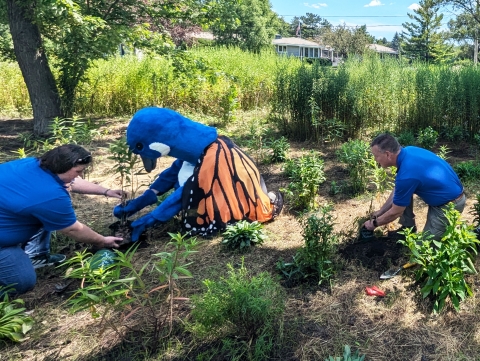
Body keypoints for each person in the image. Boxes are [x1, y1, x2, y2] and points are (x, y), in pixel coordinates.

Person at [113, 107, 283, 241]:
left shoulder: (213, 158)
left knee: (198, 192)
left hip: (221, 180)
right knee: (181, 175)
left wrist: (147, 220)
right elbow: (171, 173)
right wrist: (143, 200)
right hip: (204, 159)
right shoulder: (192, 153)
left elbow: (183, 194)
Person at [0, 144, 124, 295]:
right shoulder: (49, 195)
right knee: (22, 282)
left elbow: (70, 180)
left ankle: (36, 255)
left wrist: (106, 191)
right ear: (63, 165)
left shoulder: (35, 164)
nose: (81, 176)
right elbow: (72, 229)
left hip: (7, 215)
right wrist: (102, 241)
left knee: (44, 213)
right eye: (78, 171)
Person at [363, 133, 465, 240]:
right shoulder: (409, 151)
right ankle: (408, 227)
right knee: (402, 195)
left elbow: (396, 211)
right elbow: (399, 189)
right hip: (446, 194)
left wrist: (373, 224)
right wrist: (381, 211)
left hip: (449, 205)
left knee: (425, 250)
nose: (375, 160)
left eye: (376, 156)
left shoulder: (407, 174)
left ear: (388, 154)